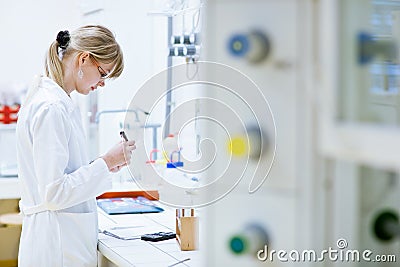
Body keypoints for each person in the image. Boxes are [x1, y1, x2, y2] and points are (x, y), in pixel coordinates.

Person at [16, 25, 136, 266]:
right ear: (84, 59)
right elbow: (54, 193)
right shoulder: (51, 108)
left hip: (60, 239)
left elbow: (62, 175)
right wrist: (107, 162)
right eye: (103, 73)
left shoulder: (58, 103)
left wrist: (104, 166)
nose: (103, 84)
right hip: (55, 245)